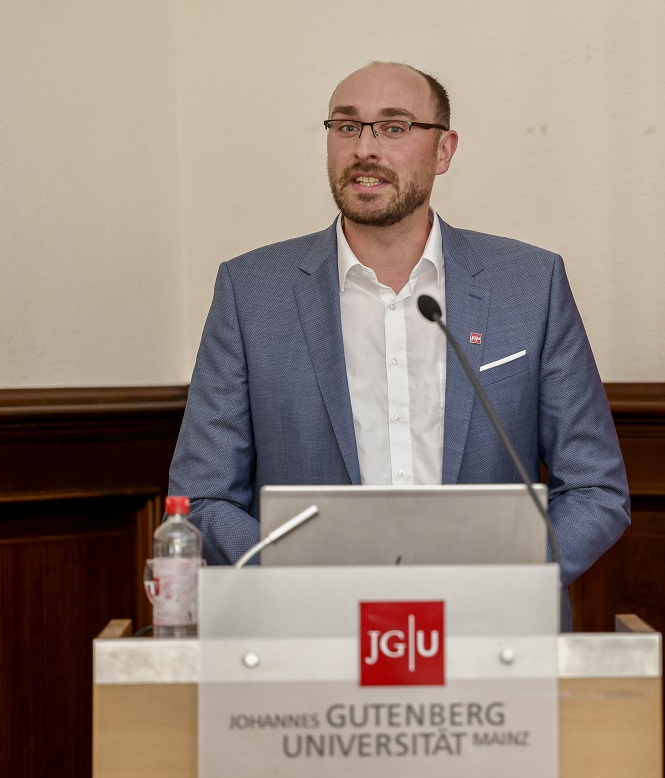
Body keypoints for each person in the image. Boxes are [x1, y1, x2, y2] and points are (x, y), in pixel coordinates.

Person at [169, 62, 629, 618]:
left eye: (394, 127)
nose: (365, 148)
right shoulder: (252, 292)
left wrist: (503, 579)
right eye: (346, 126)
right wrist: (306, 583)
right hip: (309, 632)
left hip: (493, 629)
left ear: (443, 150)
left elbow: (595, 488)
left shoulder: (530, 284)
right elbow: (203, 497)